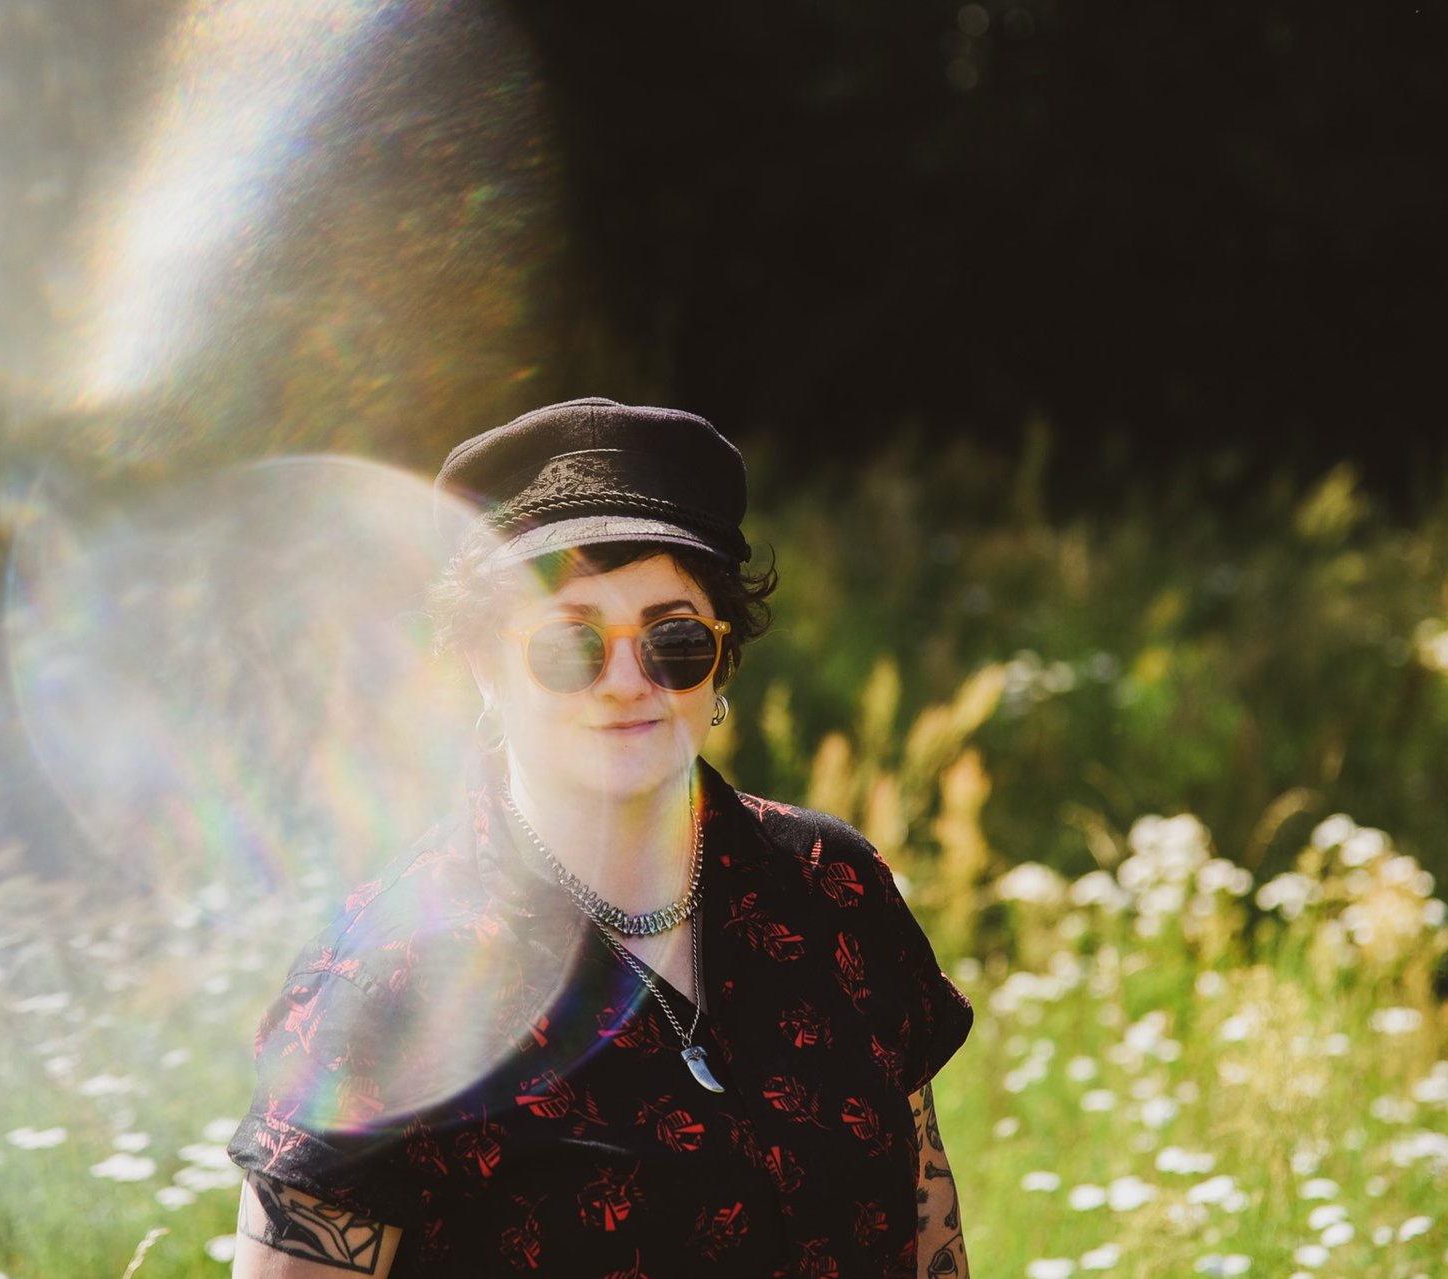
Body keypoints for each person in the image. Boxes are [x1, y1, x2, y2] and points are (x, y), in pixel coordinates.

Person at [227, 398, 973, 1278]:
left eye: (675, 638)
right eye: (570, 643)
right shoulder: (385, 981)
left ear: (721, 657)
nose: (628, 681)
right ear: (484, 665)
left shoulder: (833, 887)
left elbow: (931, 1236)